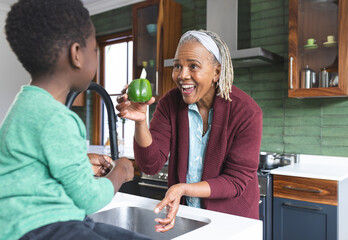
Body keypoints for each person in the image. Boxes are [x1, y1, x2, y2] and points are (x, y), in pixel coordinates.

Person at [0, 0, 150, 239]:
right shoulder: (59, 119)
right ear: (77, 55)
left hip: (23, 225)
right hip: (45, 229)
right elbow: (90, 198)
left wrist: (80, 162)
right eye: (94, 50)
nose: (95, 55)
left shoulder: (23, 107)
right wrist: (121, 170)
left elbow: (32, 172)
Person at [116, 29, 262, 232]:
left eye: (193, 66)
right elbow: (150, 165)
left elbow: (235, 182)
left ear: (217, 72)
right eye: (178, 66)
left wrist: (184, 188)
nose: (182, 75)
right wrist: (141, 121)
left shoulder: (246, 111)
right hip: (186, 216)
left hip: (232, 221)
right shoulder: (170, 103)